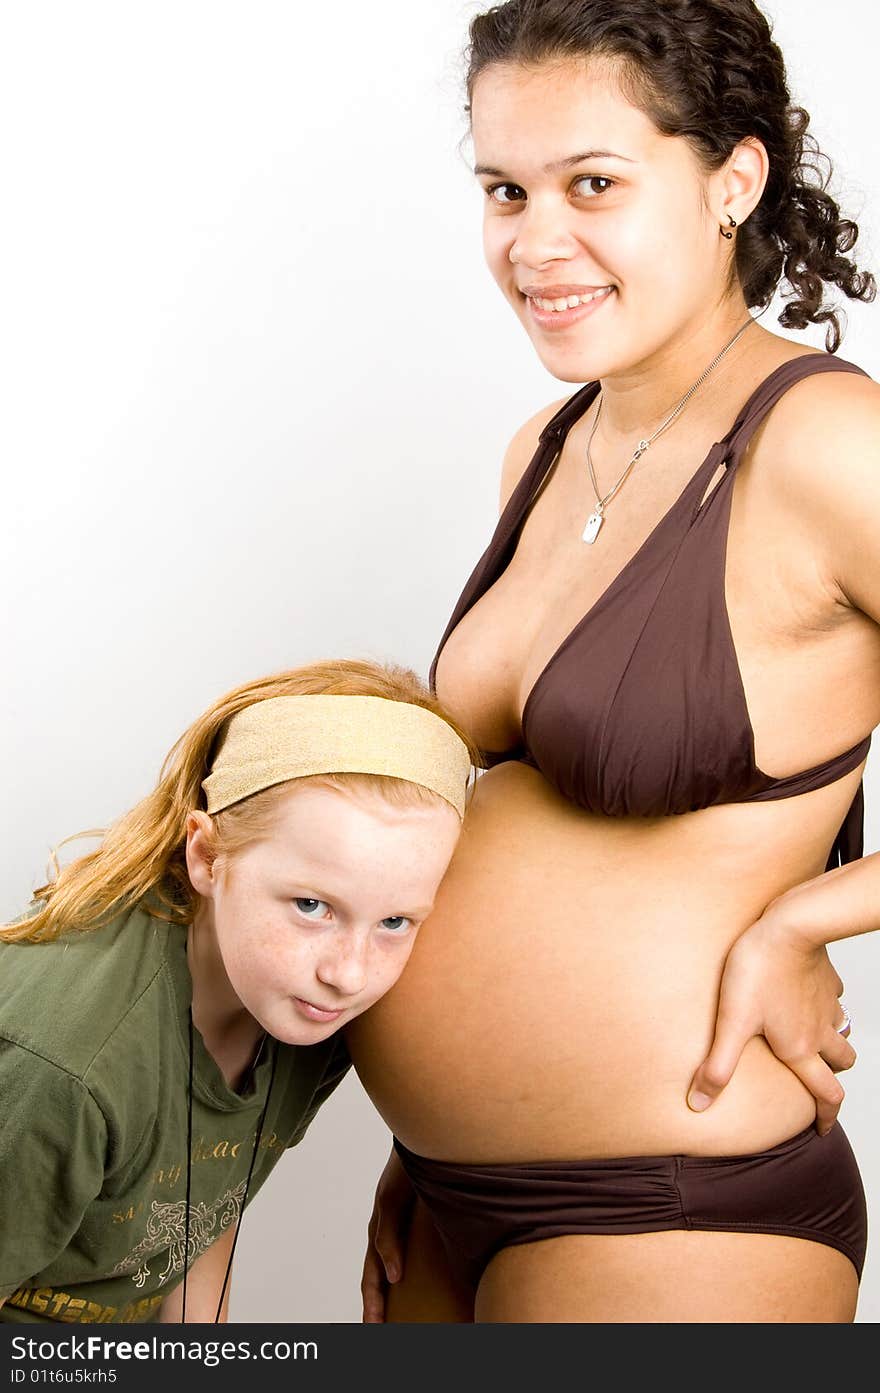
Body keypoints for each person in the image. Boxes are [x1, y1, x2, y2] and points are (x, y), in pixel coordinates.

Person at [347, 0, 879, 1323]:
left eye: (593, 182)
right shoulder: (542, 446)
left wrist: (802, 918)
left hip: (680, 1211)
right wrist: (442, 1128)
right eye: (503, 188)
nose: (536, 241)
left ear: (732, 181)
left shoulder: (825, 446)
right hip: (450, 1200)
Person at [0, 658, 474, 1325]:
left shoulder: (307, 1010)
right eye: (312, 904)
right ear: (207, 856)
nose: (350, 971)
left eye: (394, 921)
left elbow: (202, 1211)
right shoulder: (68, 1069)